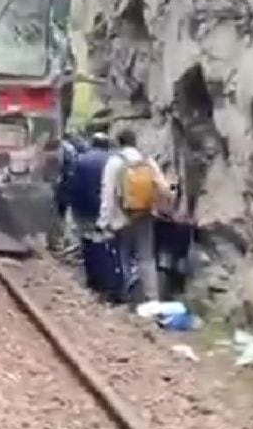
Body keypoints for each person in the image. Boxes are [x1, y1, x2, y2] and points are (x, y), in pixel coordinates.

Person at [98, 127, 172, 304]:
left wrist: (104, 220)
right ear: (135, 142)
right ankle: (152, 298)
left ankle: (125, 296)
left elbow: (107, 193)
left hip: (121, 217)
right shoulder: (147, 161)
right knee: (146, 257)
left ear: (119, 143)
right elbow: (164, 188)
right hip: (146, 215)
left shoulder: (114, 162)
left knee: (122, 255)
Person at [68, 132, 126, 301]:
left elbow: (74, 184)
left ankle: (92, 279)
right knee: (105, 246)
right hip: (105, 208)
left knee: (87, 243)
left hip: (83, 208)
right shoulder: (113, 161)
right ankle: (108, 285)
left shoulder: (81, 159)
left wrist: (73, 205)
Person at [51, 130, 88, 259]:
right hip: (68, 186)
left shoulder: (62, 149)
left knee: (57, 213)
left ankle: (57, 242)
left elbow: (61, 170)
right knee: (63, 213)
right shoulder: (71, 149)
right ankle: (61, 241)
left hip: (61, 186)